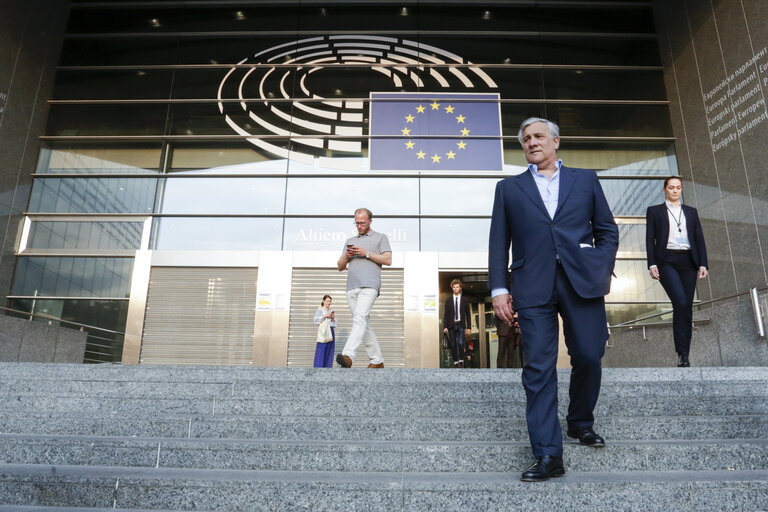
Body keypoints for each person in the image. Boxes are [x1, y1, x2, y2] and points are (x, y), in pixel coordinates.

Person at [488, 117, 619, 482]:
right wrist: (499, 288)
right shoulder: (509, 189)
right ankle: (548, 453)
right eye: (526, 139)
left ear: (556, 141)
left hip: (582, 282)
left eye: (539, 136)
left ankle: (579, 421)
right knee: (538, 368)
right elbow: (499, 241)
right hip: (532, 286)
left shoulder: (585, 180)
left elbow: (608, 231)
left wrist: (600, 265)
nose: (532, 142)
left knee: (590, 355)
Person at [645, 176, 708, 367]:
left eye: (678, 187)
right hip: (667, 261)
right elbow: (650, 239)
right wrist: (652, 264)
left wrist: (703, 264)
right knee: (680, 302)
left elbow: (699, 239)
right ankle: (681, 351)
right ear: (665, 189)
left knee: (686, 307)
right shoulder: (654, 211)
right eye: (671, 187)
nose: (674, 190)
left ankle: (684, 354)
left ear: (681, 190)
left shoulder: (691, 212)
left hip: (688, 260)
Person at [336, 207, 392, 368]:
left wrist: (366, 253)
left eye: (362, 222)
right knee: (363, 323)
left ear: (370, 221)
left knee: (359, 318)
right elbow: (340, 266)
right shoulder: (349, 241)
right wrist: (347, 256)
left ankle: (348, 355)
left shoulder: (380, 238)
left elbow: (388, 260)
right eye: (357, 222)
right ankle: (377, 360)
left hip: (370, 286)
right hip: (351, 287)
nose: (359, 225)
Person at [443, 279, 471, 368]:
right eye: (454, 287)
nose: (455, 289)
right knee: (453, 344)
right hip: (451, 325)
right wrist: (445, 326)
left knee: (461, 342)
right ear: (452, 288)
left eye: (457, 287)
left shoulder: (464, 300)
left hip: (461, 325)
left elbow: (468, 315)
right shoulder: (448, 300)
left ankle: (461, 359)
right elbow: (446, 314)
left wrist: (469, 327)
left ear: (460, 288)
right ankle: (455, 360)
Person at [313, 295, 336, 368]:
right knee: (322, 347)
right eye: (327, 301)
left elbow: (334, 323)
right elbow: (315, 319)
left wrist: (332, 318)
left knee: (330, 349)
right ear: (323, 301)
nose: (329, 303)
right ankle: (319, 366)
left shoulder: (330, 310)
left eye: (330, 301)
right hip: (324, 330)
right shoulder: (320, 309)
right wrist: (325, 316)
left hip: (331, 330)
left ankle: (328, 367)